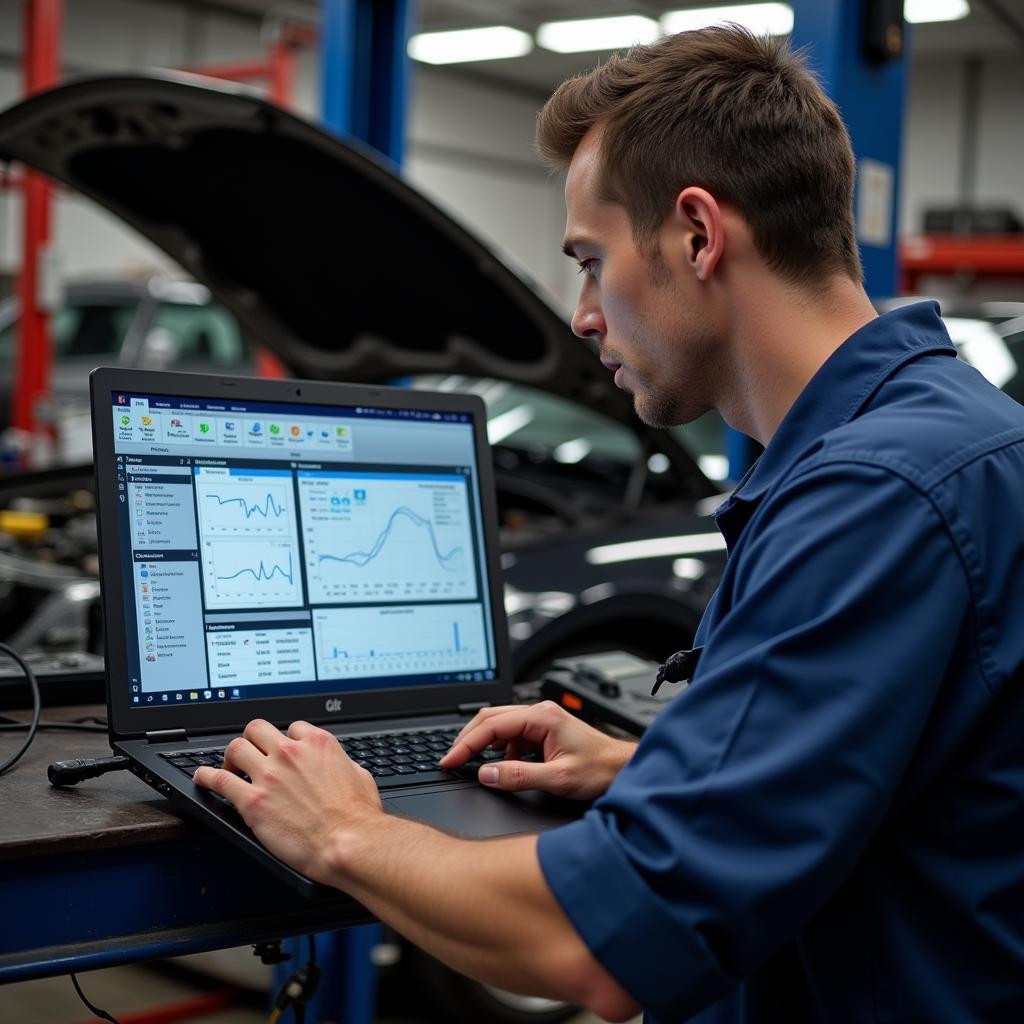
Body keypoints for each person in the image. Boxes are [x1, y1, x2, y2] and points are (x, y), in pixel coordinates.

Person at [195, 25, 1024, 1023]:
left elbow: (600, 941)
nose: (583, 315)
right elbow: (918, 781)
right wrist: (653, 771)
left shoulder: (876, 497)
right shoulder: (957, 436)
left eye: (590, 261)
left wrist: (342, 833)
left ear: (697, 235)